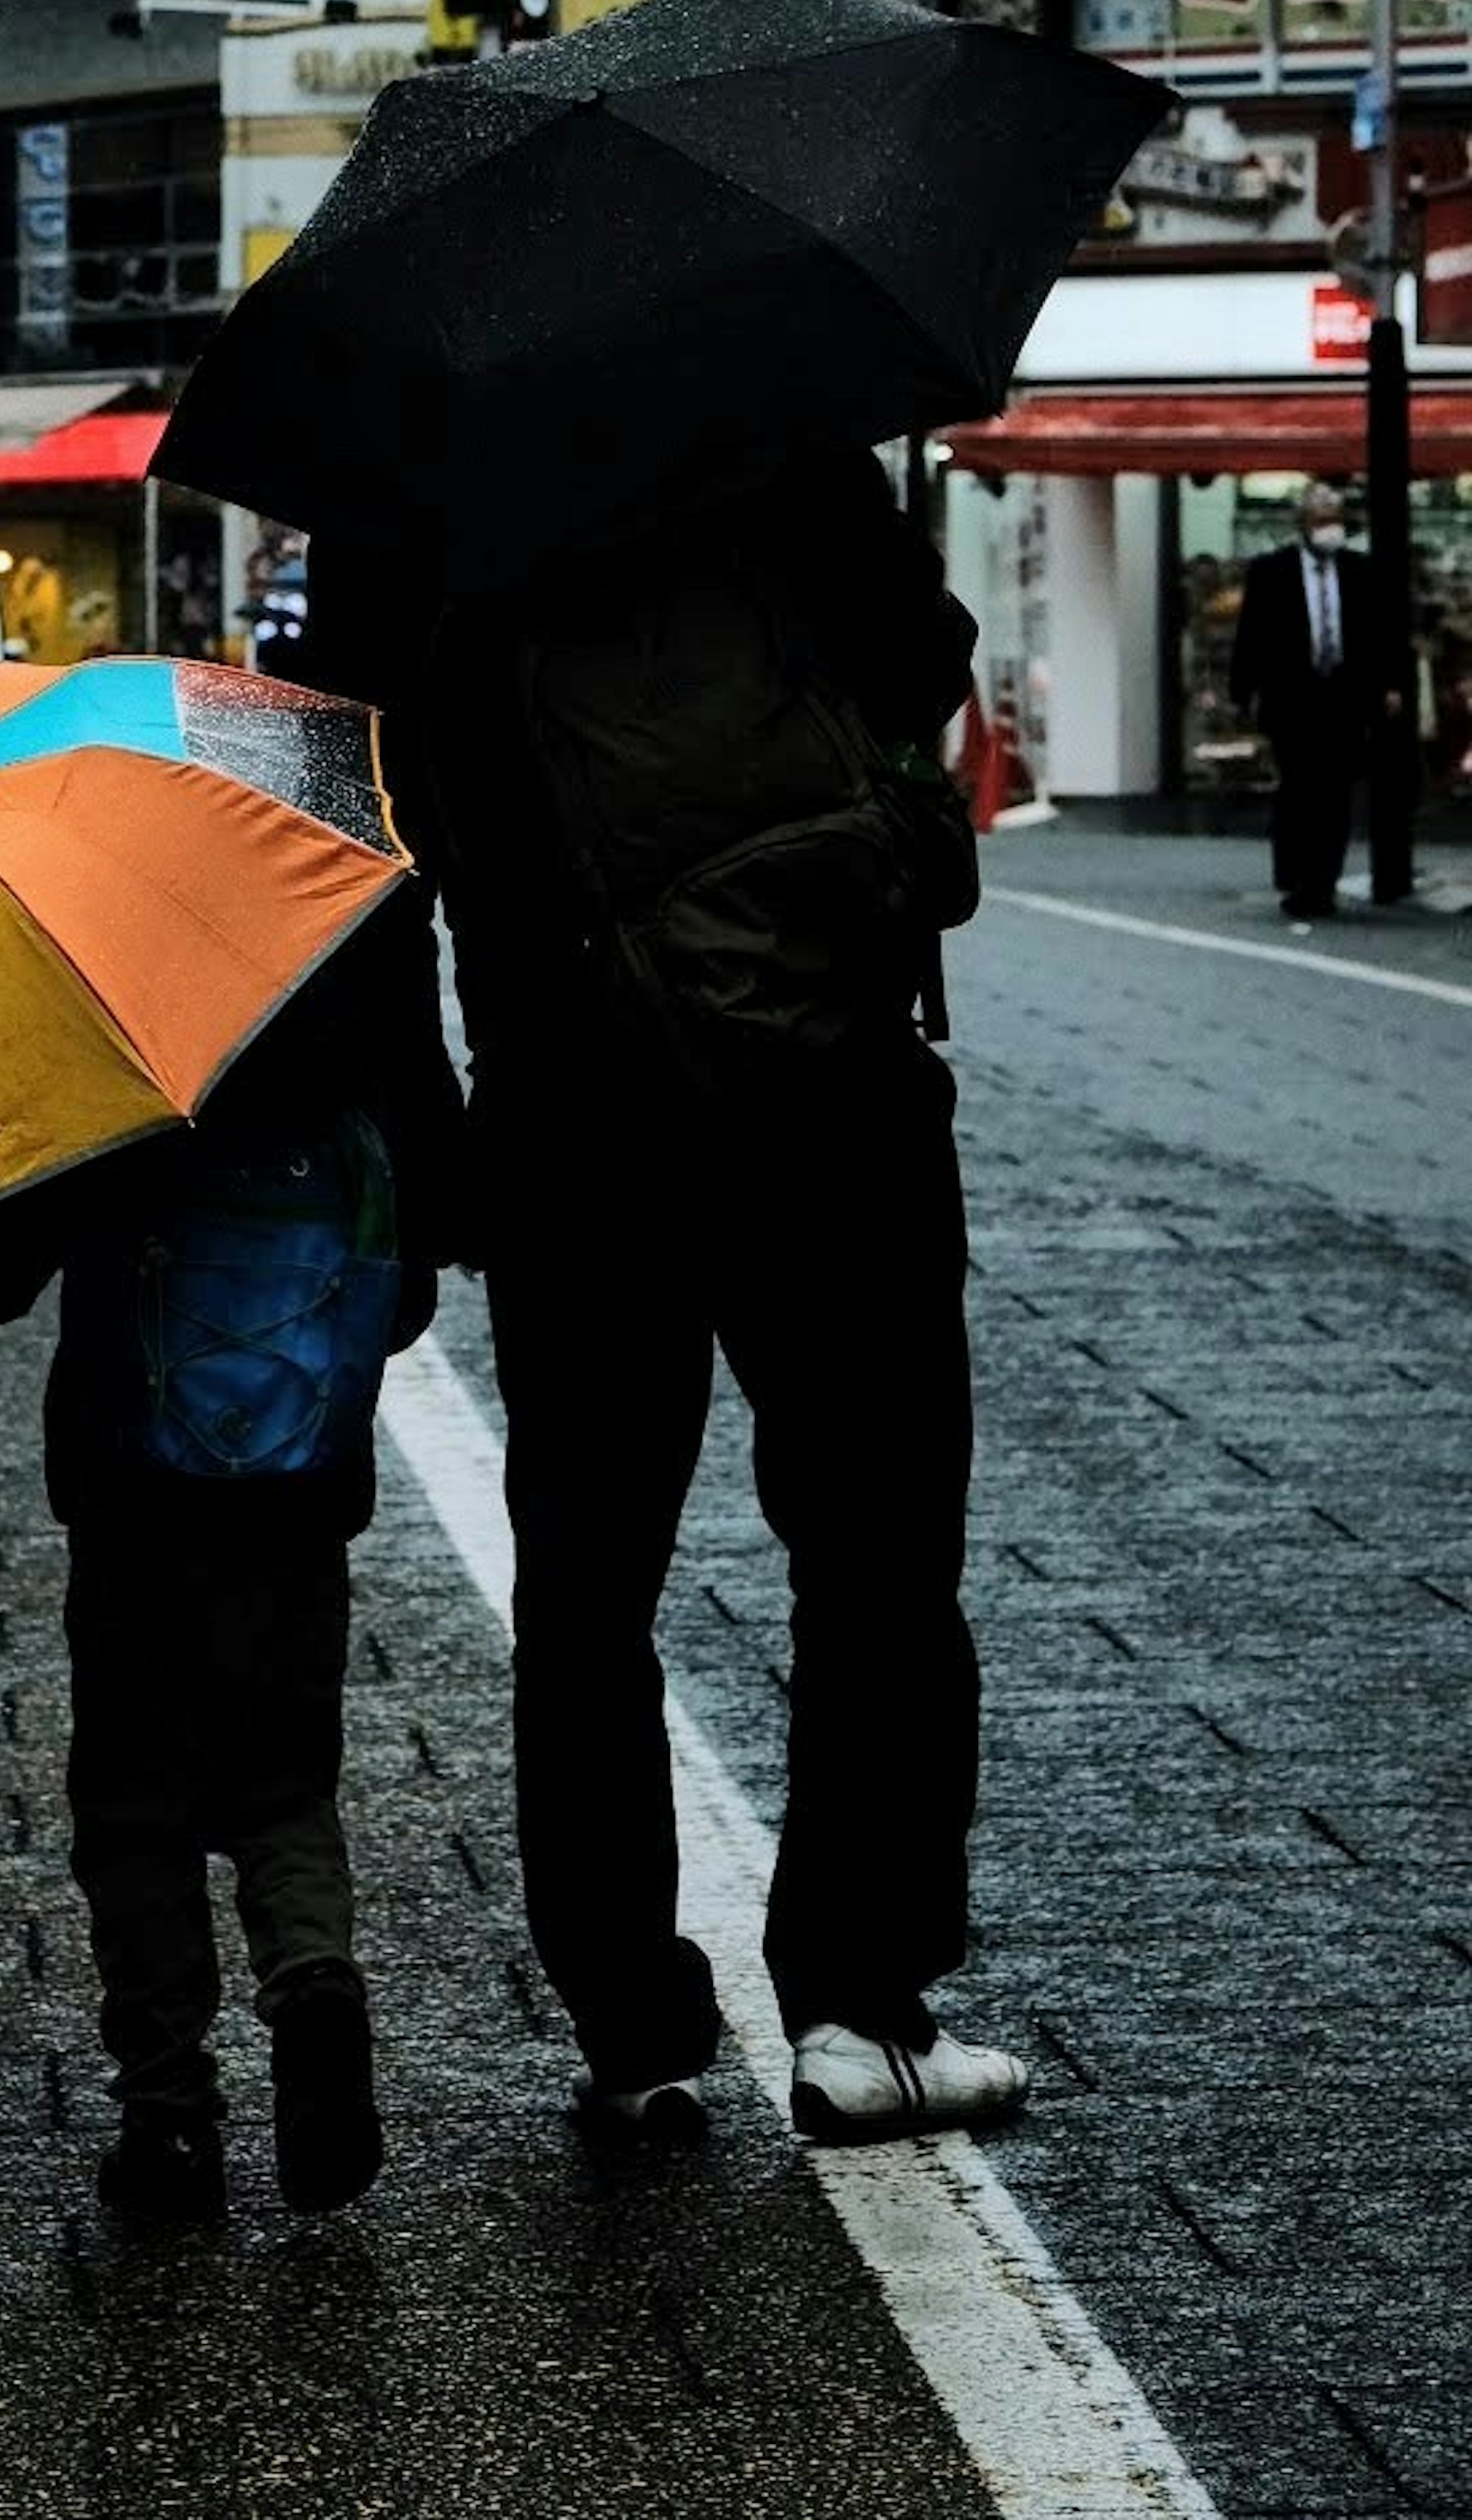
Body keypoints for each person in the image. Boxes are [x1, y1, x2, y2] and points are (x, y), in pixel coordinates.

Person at [306, 444, 1025, 2152]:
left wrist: (425, 1136)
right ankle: (862, 2010)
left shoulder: (410, 475)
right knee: (877, 1558)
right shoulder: (762, 407)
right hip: (829, 1084)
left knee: (587, 1583)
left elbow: (354, 827)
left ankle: (633, 2026)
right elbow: (924, 663)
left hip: (569, 1114)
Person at [0, 905, 464, 2233]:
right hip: (301, 1497)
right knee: (287, 1784)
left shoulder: (92, 1008)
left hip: (135, 1506)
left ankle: (170, 2119)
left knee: (136, 1805)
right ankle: (316, 1987)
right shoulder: (337, 980)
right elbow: (407, 1288)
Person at [1230, 482, 1393, 919]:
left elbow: (1380, 636)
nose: (1330, 529)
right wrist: (1241, 693)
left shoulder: (1360, 571)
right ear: (1302, 524)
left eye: (1335, 520)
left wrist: (1387, 686)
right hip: (1292, 697)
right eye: (1322, 520)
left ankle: (1322, 883)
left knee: (1335, 793)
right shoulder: (1272, 572)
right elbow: (1252, 635)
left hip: (1342, 696)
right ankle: (1296, 876)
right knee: (1299, 788)